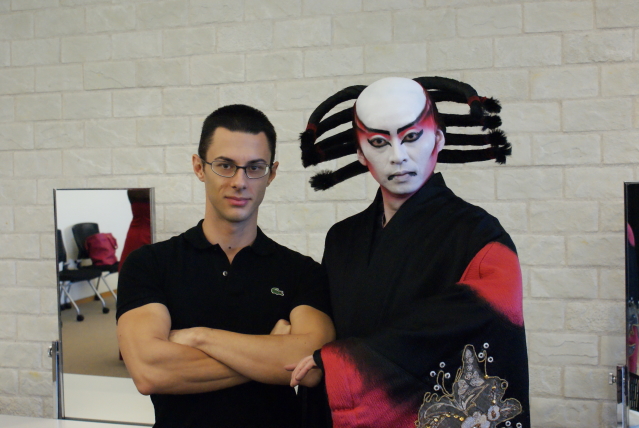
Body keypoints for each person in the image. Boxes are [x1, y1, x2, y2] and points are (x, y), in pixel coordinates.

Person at [289, 77, 530, 428]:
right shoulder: (342, 238)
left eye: (412, 136)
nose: (398, 156)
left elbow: (482, 327)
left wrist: (348, 364)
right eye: (378, 142)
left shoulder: (479, 235)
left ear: (439, 138)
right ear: (360, 153)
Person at [116, 104, 335, 428]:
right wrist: (271, 351)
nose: (239, 181)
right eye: (225, 165)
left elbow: (313, 366)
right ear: (199, 167)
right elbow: (150, 371)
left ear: (272, 174)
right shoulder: (149, 264)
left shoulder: (303, 272)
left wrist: (199, 337)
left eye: (255, 167)